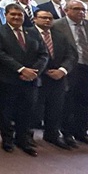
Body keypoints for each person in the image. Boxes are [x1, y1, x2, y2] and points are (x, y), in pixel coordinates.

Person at [0, 4, 49, 157]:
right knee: (6, 112)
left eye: (19, 15)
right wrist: (21, 69)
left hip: (31, 79)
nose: (16, 17)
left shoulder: (33, 32)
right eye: (13, 14)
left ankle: (23, 140)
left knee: (27, 111)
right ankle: (7, 140)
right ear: (6, 15)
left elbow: (44, 54)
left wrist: (34, 72)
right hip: (7, 78)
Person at [52, 0, 88, 149]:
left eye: (83, 9)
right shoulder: (56, 25)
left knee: (86, 102)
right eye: (76, 9)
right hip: (68, 69)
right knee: (68, 102)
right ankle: (66, 133)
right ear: (66, 10)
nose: (81, 12)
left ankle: (82, 132)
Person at [32, 9, 76, 150]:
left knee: (55, 109)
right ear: (34, 19)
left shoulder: (60, 36)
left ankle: (52, 135)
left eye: (50, 18)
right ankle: (26, 136)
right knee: (34, 109)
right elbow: (26, 55)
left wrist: (62, 70)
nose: (47, 20)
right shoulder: (28, 34)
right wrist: (44, 70)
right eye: (43, 17)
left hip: (58, 78)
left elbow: (71, 55)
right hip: (37, 77)